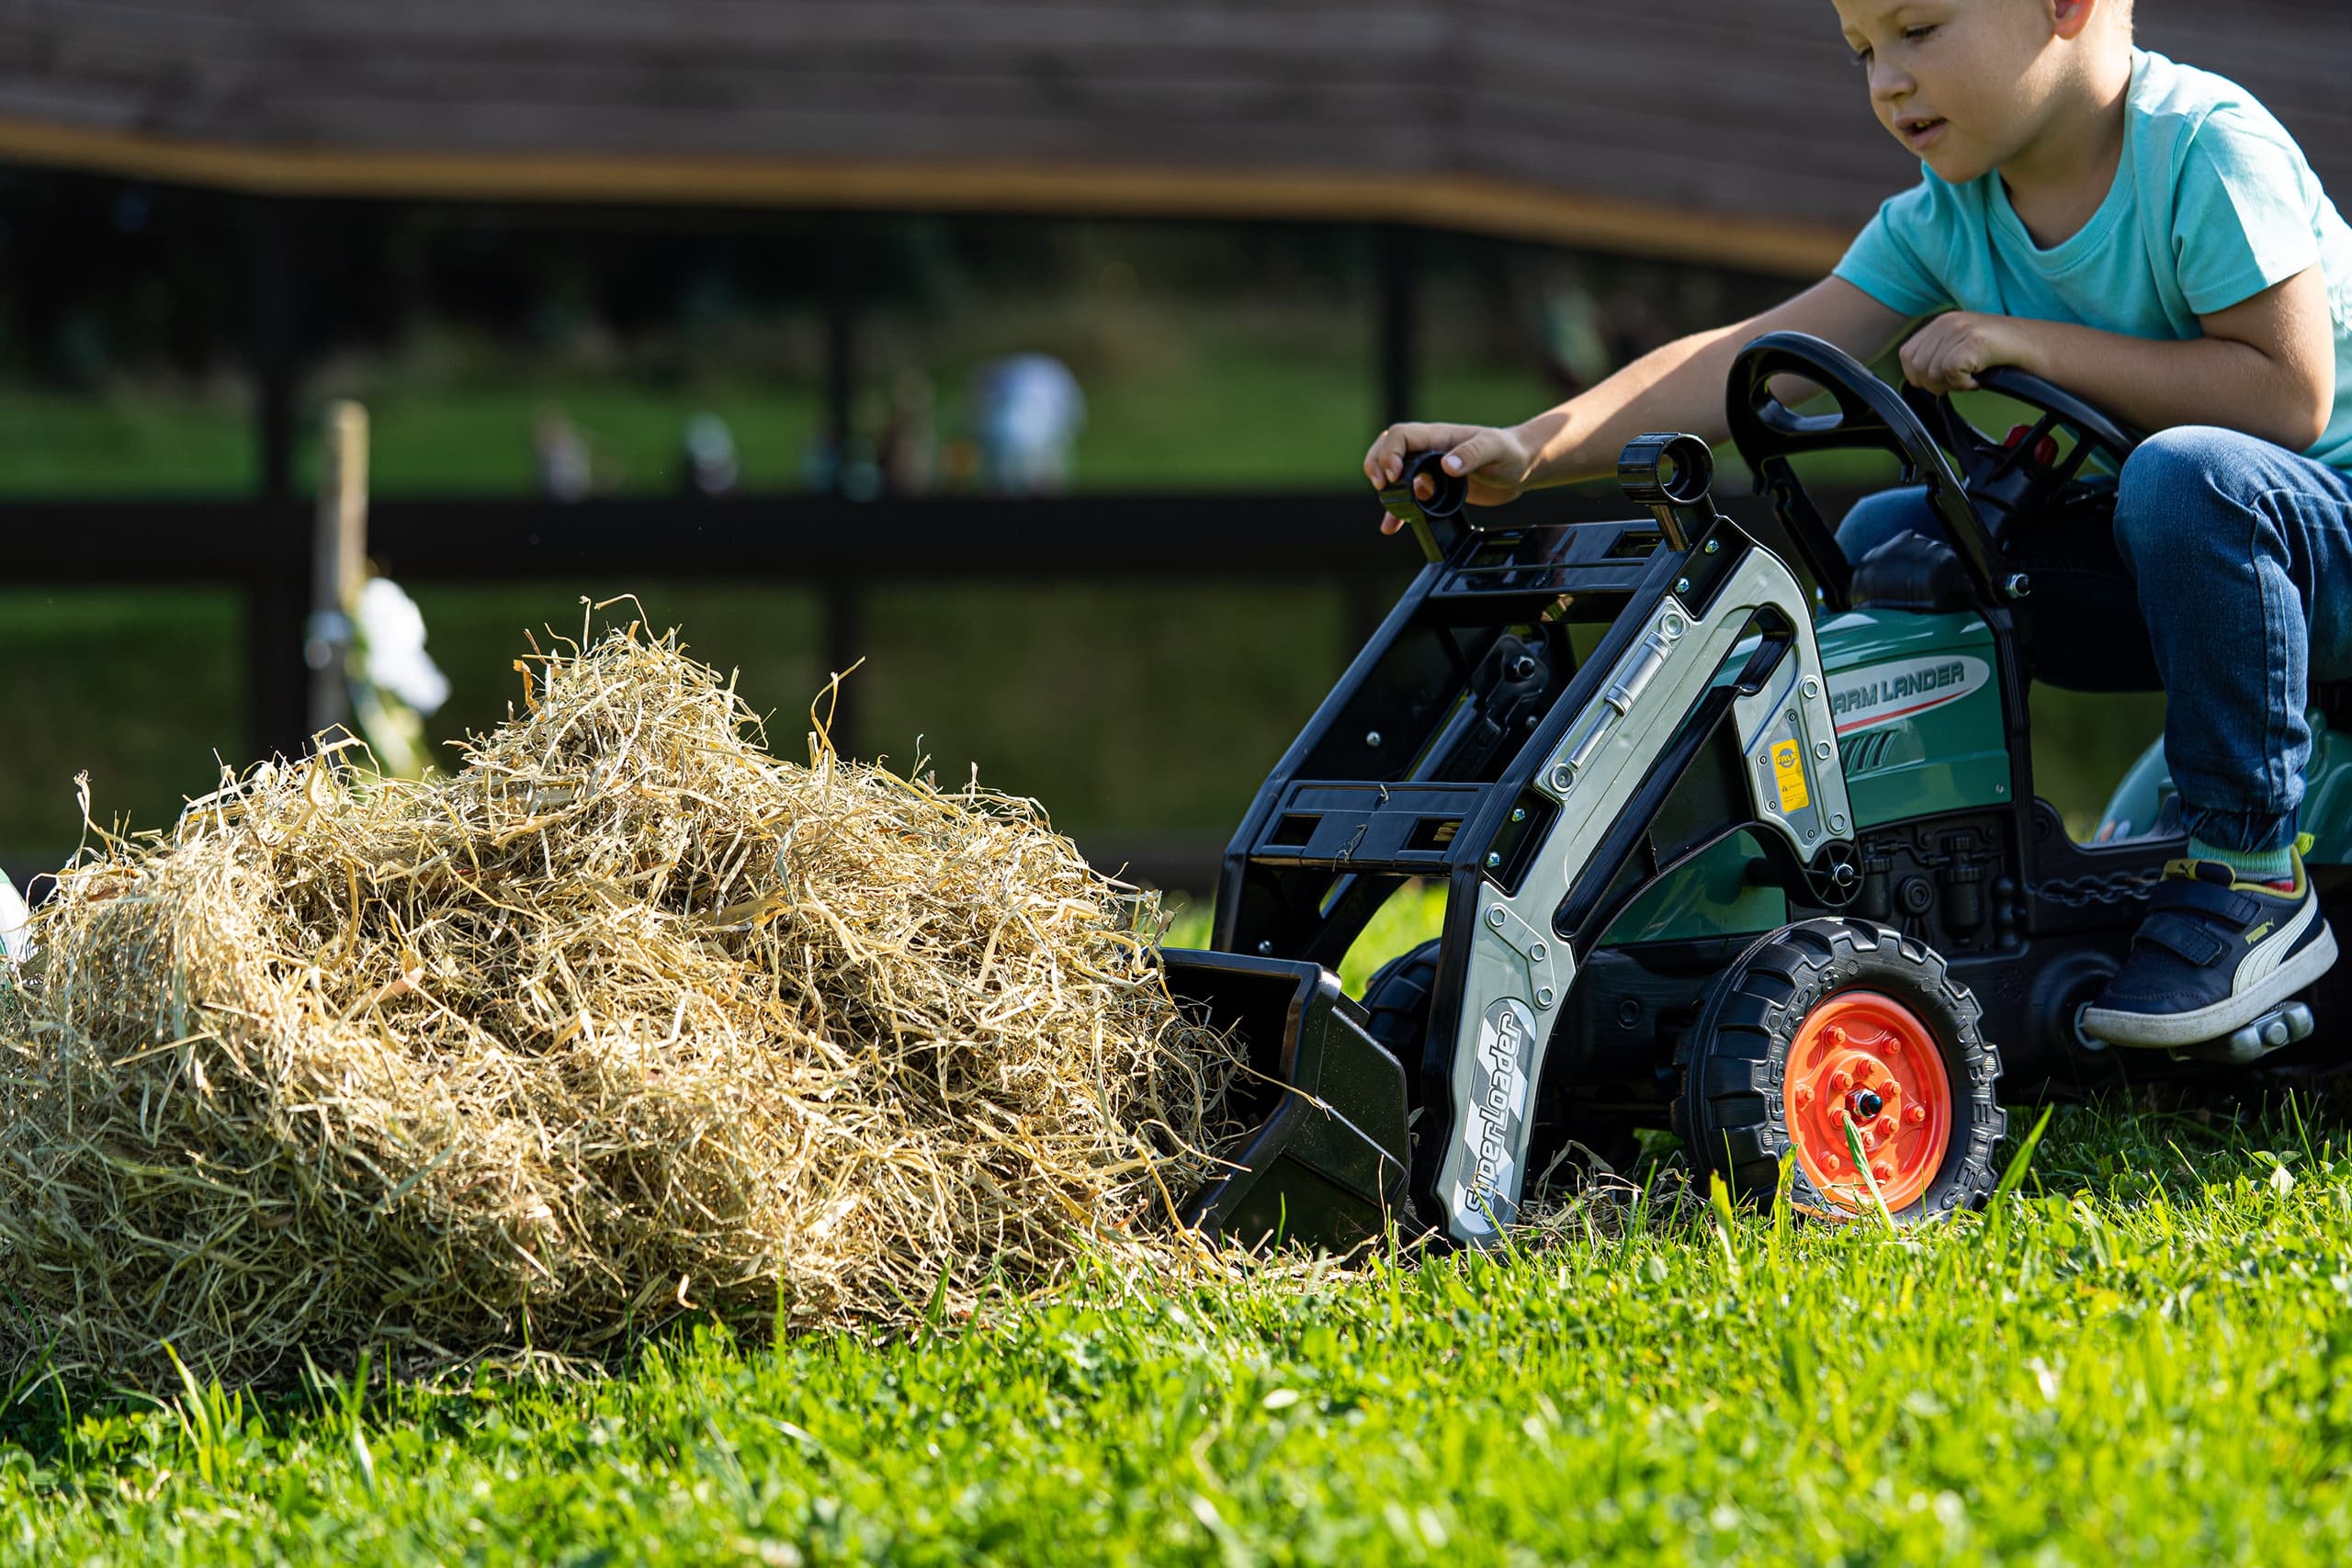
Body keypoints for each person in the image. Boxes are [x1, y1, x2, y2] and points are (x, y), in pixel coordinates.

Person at [1364, 0, 2352, 1051]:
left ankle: (2250, 877)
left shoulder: (2204, 146)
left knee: (2181, 475)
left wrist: (2033, 345)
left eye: (1919, 30)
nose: (1886, 79)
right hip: (2199, 559)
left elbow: (2285, 399)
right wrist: (1531, 452)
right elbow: (1749, 350)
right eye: (1862, 50)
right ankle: (1932, 888)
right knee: (1903, 538)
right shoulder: (1949, 213)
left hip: (2310, 540)